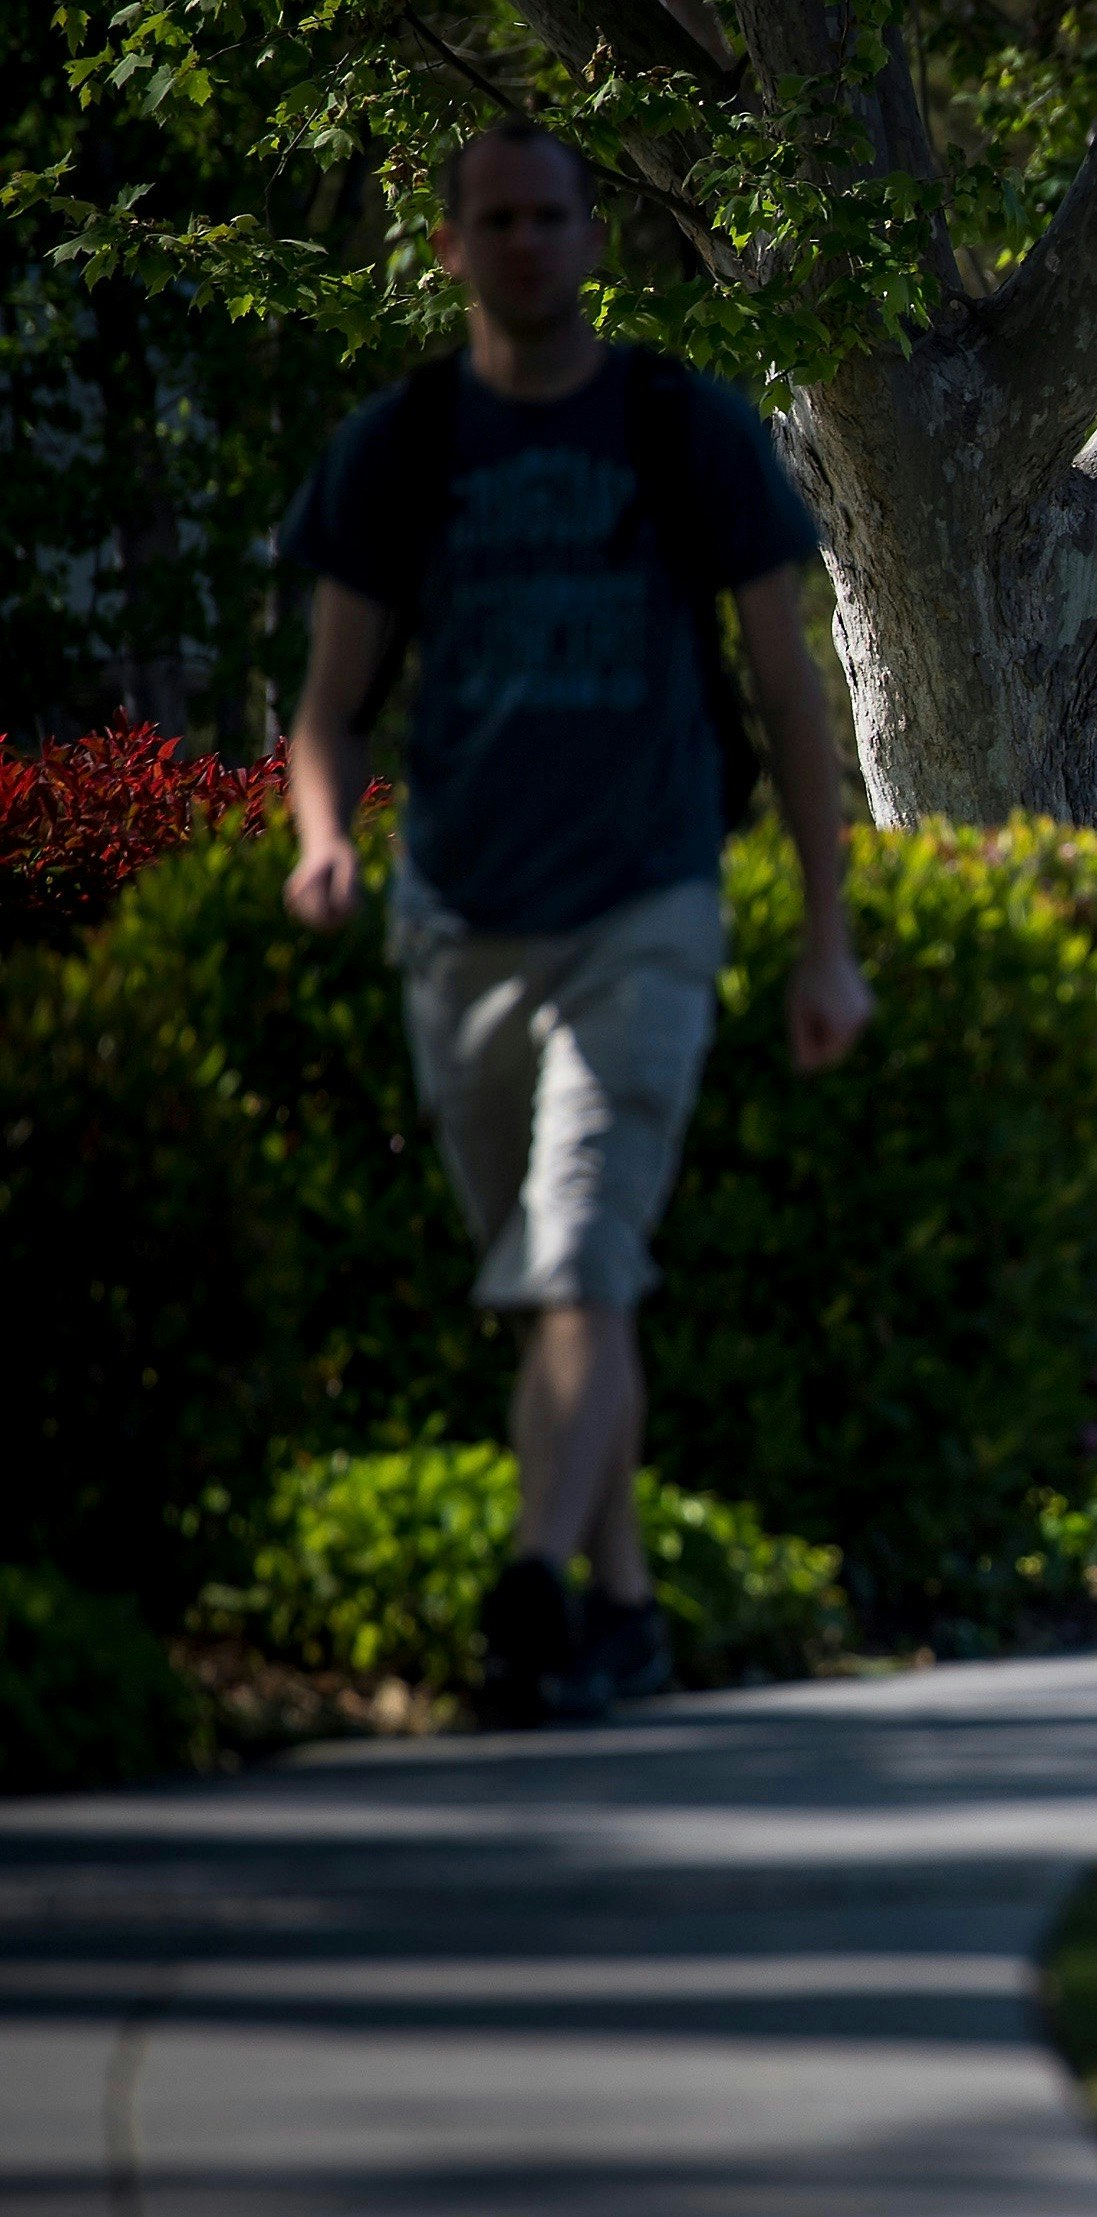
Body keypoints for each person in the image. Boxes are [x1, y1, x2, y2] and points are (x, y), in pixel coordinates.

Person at [278, 121, 873, 1725]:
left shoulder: (685, 425)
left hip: (648, 902)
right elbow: (328, 706)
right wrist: (323, 842)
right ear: (451, 248)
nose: (528, 242)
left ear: (594, 238)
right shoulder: (402, 445)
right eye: (498, 220)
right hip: (458, 917)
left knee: (583, 1240)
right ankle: (623, 1607)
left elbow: (789, 694)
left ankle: (531, 1585)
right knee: (558, 1281)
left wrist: (825, 938)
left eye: (553, 216)